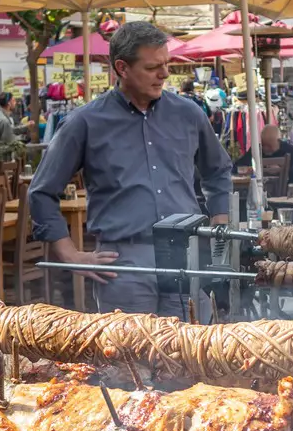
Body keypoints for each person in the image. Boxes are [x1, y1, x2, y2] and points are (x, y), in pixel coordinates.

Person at [28, 20, 232, 316]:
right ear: (122, 68)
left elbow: (218, 170)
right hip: (123, 264)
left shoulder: (189, 114)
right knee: (129, 346)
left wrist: (219, 227)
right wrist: (69, 254)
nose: (164, 74)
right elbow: (41, 192)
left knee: (191, 344)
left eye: (166, 64)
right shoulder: (85, 122)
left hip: (186, 255)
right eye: (152, 67)